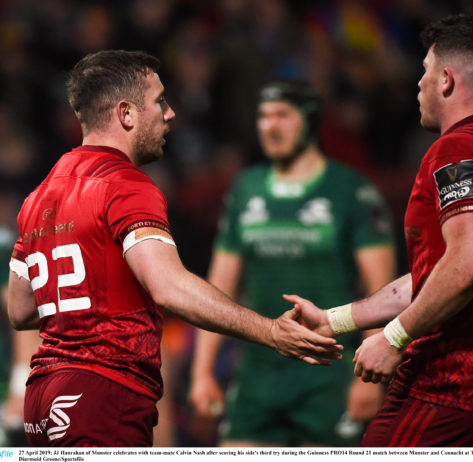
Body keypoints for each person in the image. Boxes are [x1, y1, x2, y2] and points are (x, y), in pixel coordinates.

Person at [6, 50, 343, 447]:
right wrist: (270, 331)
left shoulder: (38, 197)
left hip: (43, 400)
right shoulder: (126, 185)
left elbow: (22, 309)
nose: (170, 114)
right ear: (127, 113)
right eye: (160, 101)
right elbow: (169, 287)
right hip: (102, 395)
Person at [286, 14, 473, 447]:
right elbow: (439, 275)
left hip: (454, 384)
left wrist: (394, 337)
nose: (418, 83)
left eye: (424, 70)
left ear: (446, 81)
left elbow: (468, 265)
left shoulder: (459, 148)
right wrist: (333, 320)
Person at [188, 79, 396, 446]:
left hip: (328, 375)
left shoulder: (352, 191)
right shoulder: (245, 189)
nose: (270, 125)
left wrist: (367, 379)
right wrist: (202, 371)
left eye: (283, 115)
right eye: (263, 116)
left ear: (310, 121)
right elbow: (218, 288)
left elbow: (382, 289)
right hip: (257, 373)